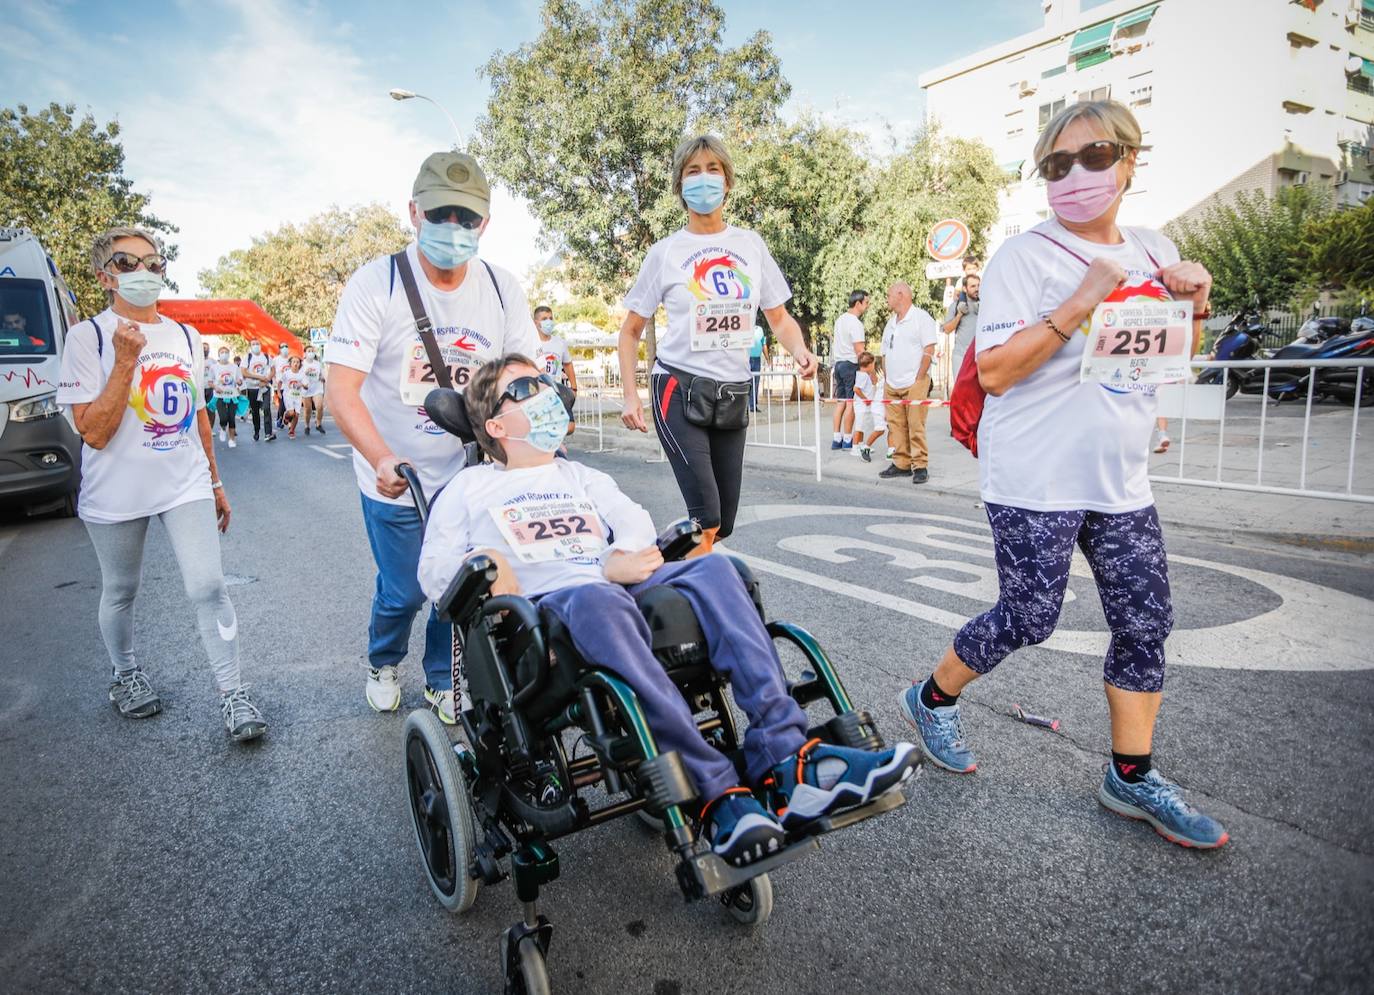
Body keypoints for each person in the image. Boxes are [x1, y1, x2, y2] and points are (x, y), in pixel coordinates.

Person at [418, 355, 920, 865]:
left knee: (718, 568)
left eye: (546, 381)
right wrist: (488, 563)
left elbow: (633, 521)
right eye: (527, 386)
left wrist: (619, 556)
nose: (548, 392)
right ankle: (717, 791)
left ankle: (790, 761)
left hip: (613, 585)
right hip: (547, 614)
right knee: (599, 599)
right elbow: (435, 573)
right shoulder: (469, 488)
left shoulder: (577, 475)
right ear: (496, 425)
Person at [898, 99, 1226, 849]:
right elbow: (996, 370)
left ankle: (1132, 776)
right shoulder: (1023, 257)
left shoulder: (1153, 246)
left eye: (1095, 156)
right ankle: (930, 695)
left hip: (1120, 481)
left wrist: (1196, 306)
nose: (1076, 174)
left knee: (1145, 622)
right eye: (1057, 164)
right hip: (1033, 479)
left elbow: (1165, 360)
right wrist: (1082, 301)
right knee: (1029, 616)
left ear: (1130, 163)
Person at [325, 151, 538, 724]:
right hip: (396, 473)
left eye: (467, 218)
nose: (454, 228)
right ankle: (384, 660)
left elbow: (526, 381)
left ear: (484, 224)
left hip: (471, 472)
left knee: (458, 584)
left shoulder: (500, 288)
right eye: (441, 213)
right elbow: (341, 391)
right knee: (405, 591)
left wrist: (538, 445)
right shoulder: (378, 283)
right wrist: (382, 458)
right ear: (414, 212)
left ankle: (444, 678)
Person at [55, 226, 266, 742]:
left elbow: (197, 417)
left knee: (209, 586)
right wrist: (125, 360)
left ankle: (233, 694)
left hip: (183, 483)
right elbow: (94, 432)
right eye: (127, 263)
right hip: (115, 491)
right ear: (105, 276)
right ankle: (125, 675)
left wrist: (215, 482)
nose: (143, 272)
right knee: (122, 590)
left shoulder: (185, 337)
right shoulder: (88, 338)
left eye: (153, 262)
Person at [618, 134, 818, 554]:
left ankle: (664, 576)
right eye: (693, 171)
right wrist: (631, 397)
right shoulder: (665, 252)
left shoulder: (750, 245)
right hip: (677, 387)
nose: (704, 178)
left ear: (727, 182)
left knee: (722, 524)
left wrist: (798, 350)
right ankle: (691, 606)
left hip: (732, 393)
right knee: (704, 516)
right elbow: (631, 330)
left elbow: (778, 318)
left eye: (713, 170)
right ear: (679, 185)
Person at [877, 283, 938, 485]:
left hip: (915, 382)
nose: (887, 298)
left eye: (889, 295)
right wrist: (887, 378)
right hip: (892, 384)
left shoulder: (921, 318)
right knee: (895, 426)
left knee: (915, 424)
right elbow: (884, 352)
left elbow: (929, 349)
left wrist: (920, 378)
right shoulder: (890, 324)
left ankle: (920, 465)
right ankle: (901, 463)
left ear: (901, 295)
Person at [828, 291, 868, 450]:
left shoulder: (840, 320)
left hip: (838, 364)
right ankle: (847, 439)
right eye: (866, 303)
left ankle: (836, 439)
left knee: (841, 403)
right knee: (851, 403)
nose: (867, 306)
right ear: (858, 304)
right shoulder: (856, 323)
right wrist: (868, 370)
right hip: (851, 364)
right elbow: (859, 349)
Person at [532, 305, 577, 434]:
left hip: (557, 390)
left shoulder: (560, 343)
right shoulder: (531, 342)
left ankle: (552, 439)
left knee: (570, 427)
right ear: (536, 323)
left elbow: (568, 364)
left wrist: (574, 388)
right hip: (538, 392)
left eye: (551, 318)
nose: (549, 321)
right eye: (544, 318)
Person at [941, 273, 980, 382]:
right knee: (962, 392)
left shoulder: (985, 304)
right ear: (965, 288)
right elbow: (947, 329)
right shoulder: (956, 305)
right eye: (973, 286)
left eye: (978, 286)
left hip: (980, 356)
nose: (977, 289)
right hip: (961, 356)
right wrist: (959, 314)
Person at [850, 351, 887, 462]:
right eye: (874, 364)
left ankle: (861, 445)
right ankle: (855, 447)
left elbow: (874, 382)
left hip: (865, 405)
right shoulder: (862, 375)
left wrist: (872, 373)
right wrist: (865, 399)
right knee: (859, 426)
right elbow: (856, 389)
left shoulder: (866, 374)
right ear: (870, 364)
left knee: (863, 426)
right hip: (861, 405)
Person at [243, 339, 277, 442]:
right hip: (252, 388)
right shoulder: (247, 357)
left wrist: (267, 379)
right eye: (253, 344)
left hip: (264, 388)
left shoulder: (266, 356)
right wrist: (259, 377)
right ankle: (256, 430)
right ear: (250, 346)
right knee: (255, 411)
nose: (256, 346)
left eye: (257, 344)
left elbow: (273, 370)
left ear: (260, 345)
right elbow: (244, 372)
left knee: (266, 408)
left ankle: (268, 433)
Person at [210, 345, 243, 449]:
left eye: (226, 352)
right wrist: (215, 387)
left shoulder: (234, 367)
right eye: (222, 352)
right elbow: (210, 382)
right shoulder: (214, 367)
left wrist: (239, 382)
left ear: (228, 354)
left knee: (231, 418)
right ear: (219, 355)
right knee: (223, 417)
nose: (224, 354)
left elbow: (240, 380)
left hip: (233, 395)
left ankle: (232, 439)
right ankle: (223, 428)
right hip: (220, 396)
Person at [280, 355, 307, 438]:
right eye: (294, 362)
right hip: (288, 395)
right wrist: (278, 392)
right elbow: (280, 382)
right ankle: (287, 416)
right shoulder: (286, 374)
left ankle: (292, 430)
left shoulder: (302, 375)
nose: (296, 364)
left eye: (297, 362)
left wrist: (302, 384)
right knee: (292, 412)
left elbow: (306, 386)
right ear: (290, 364)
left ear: (300, 364)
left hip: (298, 396)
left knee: (297, 415)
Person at [301, 346, 326, 435]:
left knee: (319, 406)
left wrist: (322, 378)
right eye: (309, 351)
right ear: (305, 353)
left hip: (317, 388)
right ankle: (307, 425)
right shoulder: (302, 364)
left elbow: (322, 375)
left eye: (312, 351)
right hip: (306, 389)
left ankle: (318, 424)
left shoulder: (318, 363)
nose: (311, 352)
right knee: (308, 410)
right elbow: (298, 375)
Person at [746, 323, 769, 412]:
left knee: (755, 383)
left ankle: (753, 406)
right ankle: (745, 406)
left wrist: (767, 358)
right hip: (746, 359)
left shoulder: (760, 329)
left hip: (757, 359)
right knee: (747, 383)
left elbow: (763, 344)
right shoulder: (745, 327)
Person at [272, 342, 291, 430]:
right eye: (283, 346)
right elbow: (272, 372)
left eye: (286, 346)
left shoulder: (291, 359)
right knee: (282, 404)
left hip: (291, 386)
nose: (285, 348)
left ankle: (285, 420)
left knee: (290, 404)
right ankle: (280, 419)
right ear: (279, 349)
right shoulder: (276, 360)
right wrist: (274, 383)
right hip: (280, 386)